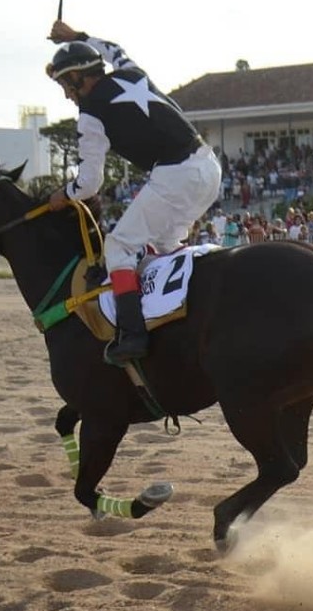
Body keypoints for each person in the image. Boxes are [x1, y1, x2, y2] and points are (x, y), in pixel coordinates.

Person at [45, 21, 222, 364]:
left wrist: (63, 194)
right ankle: (178, 315)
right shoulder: (131, 71)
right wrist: (78, 37)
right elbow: (113, 47)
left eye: (66, 85)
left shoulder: (89, 114)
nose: (67, 94)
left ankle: (133, 335)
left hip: (175, 175)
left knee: (119, 245)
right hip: (209, 167)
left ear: (80, 78)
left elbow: (89, 184)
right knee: (166, 247)